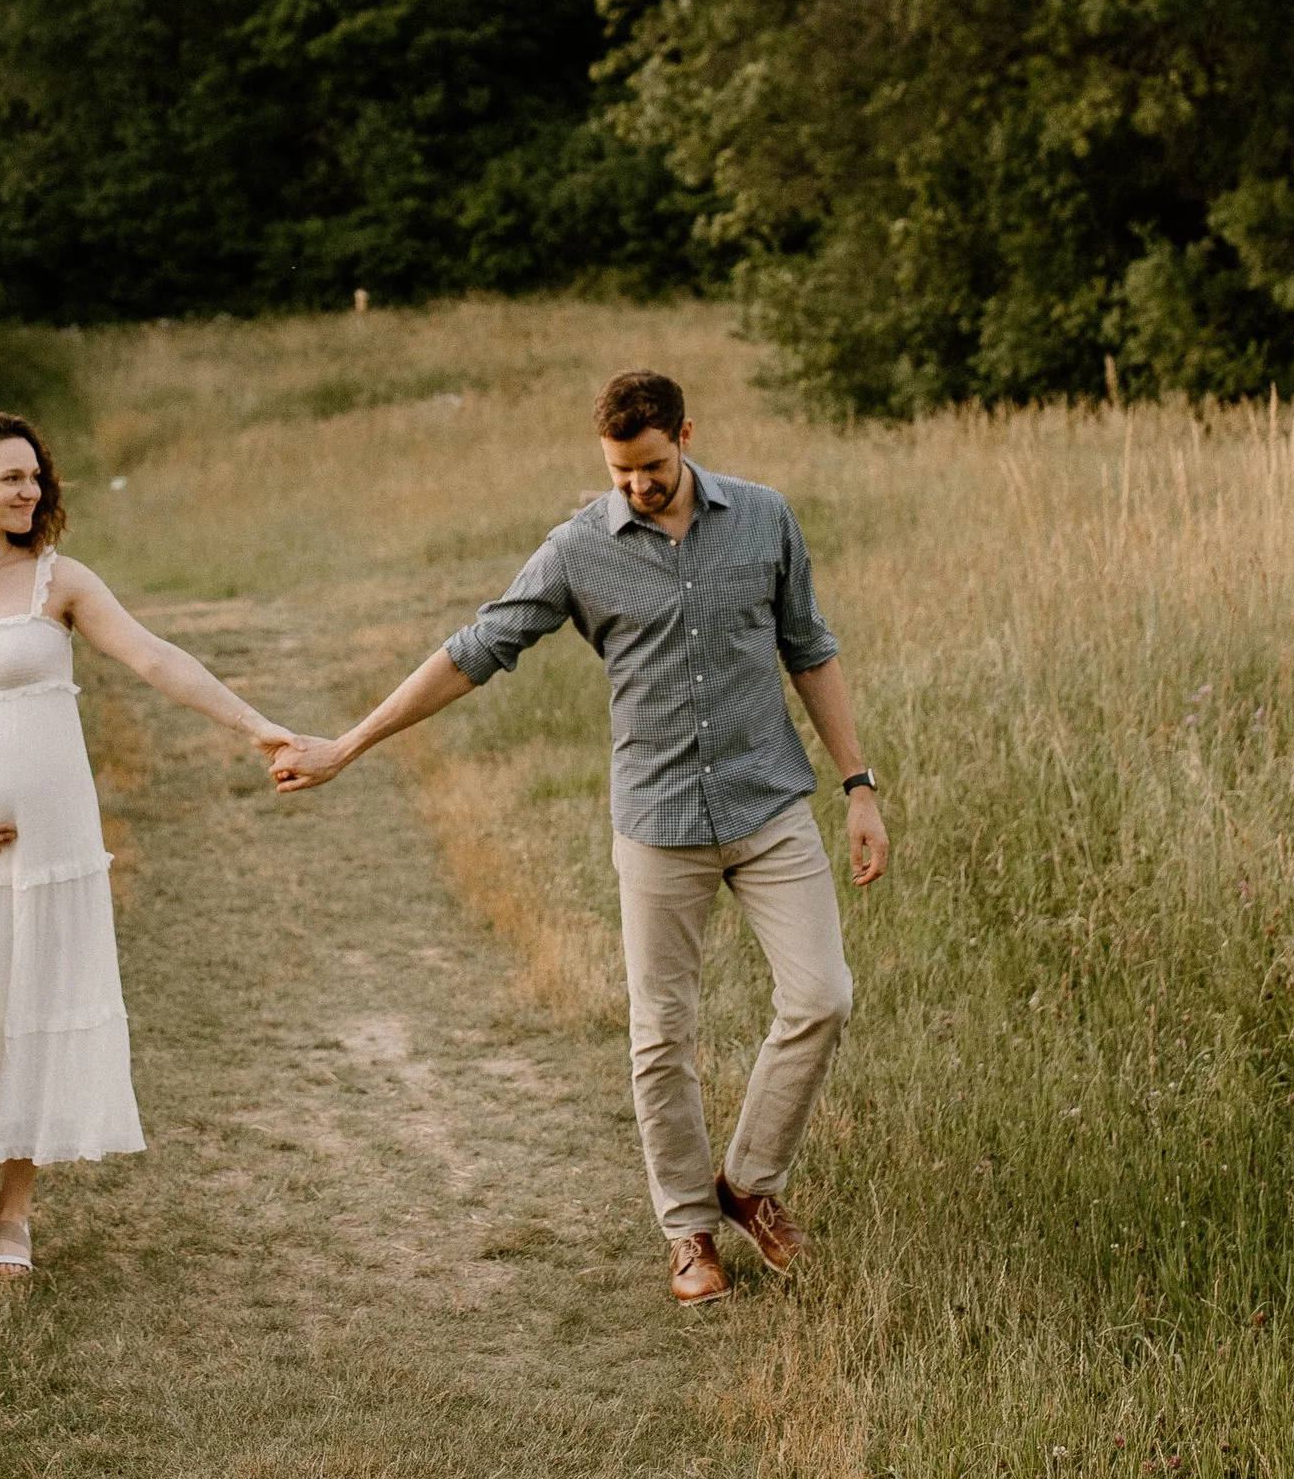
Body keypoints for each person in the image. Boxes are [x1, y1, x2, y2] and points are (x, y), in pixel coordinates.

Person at [271, 366, 887, 1307]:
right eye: (618, 470)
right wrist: (348, 746)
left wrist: (858, 787)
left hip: (770, 808)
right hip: (659, 823)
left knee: (823, 998)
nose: (635, 485)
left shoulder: (765, 519)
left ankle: (751, 1184)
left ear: (686, 433)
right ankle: (689, 1231)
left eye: (649, 465)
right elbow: (474, 651)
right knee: (663, 1035)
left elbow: (810, 648)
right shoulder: (577, 550)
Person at [0, 410, 293, 1281]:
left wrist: (257, 727)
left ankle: (14, 1209)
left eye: (37, 478)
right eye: (12, 476)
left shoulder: (59, 582)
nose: (30, 491)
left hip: (49, 843)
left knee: (33, 1008)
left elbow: (158, 660)